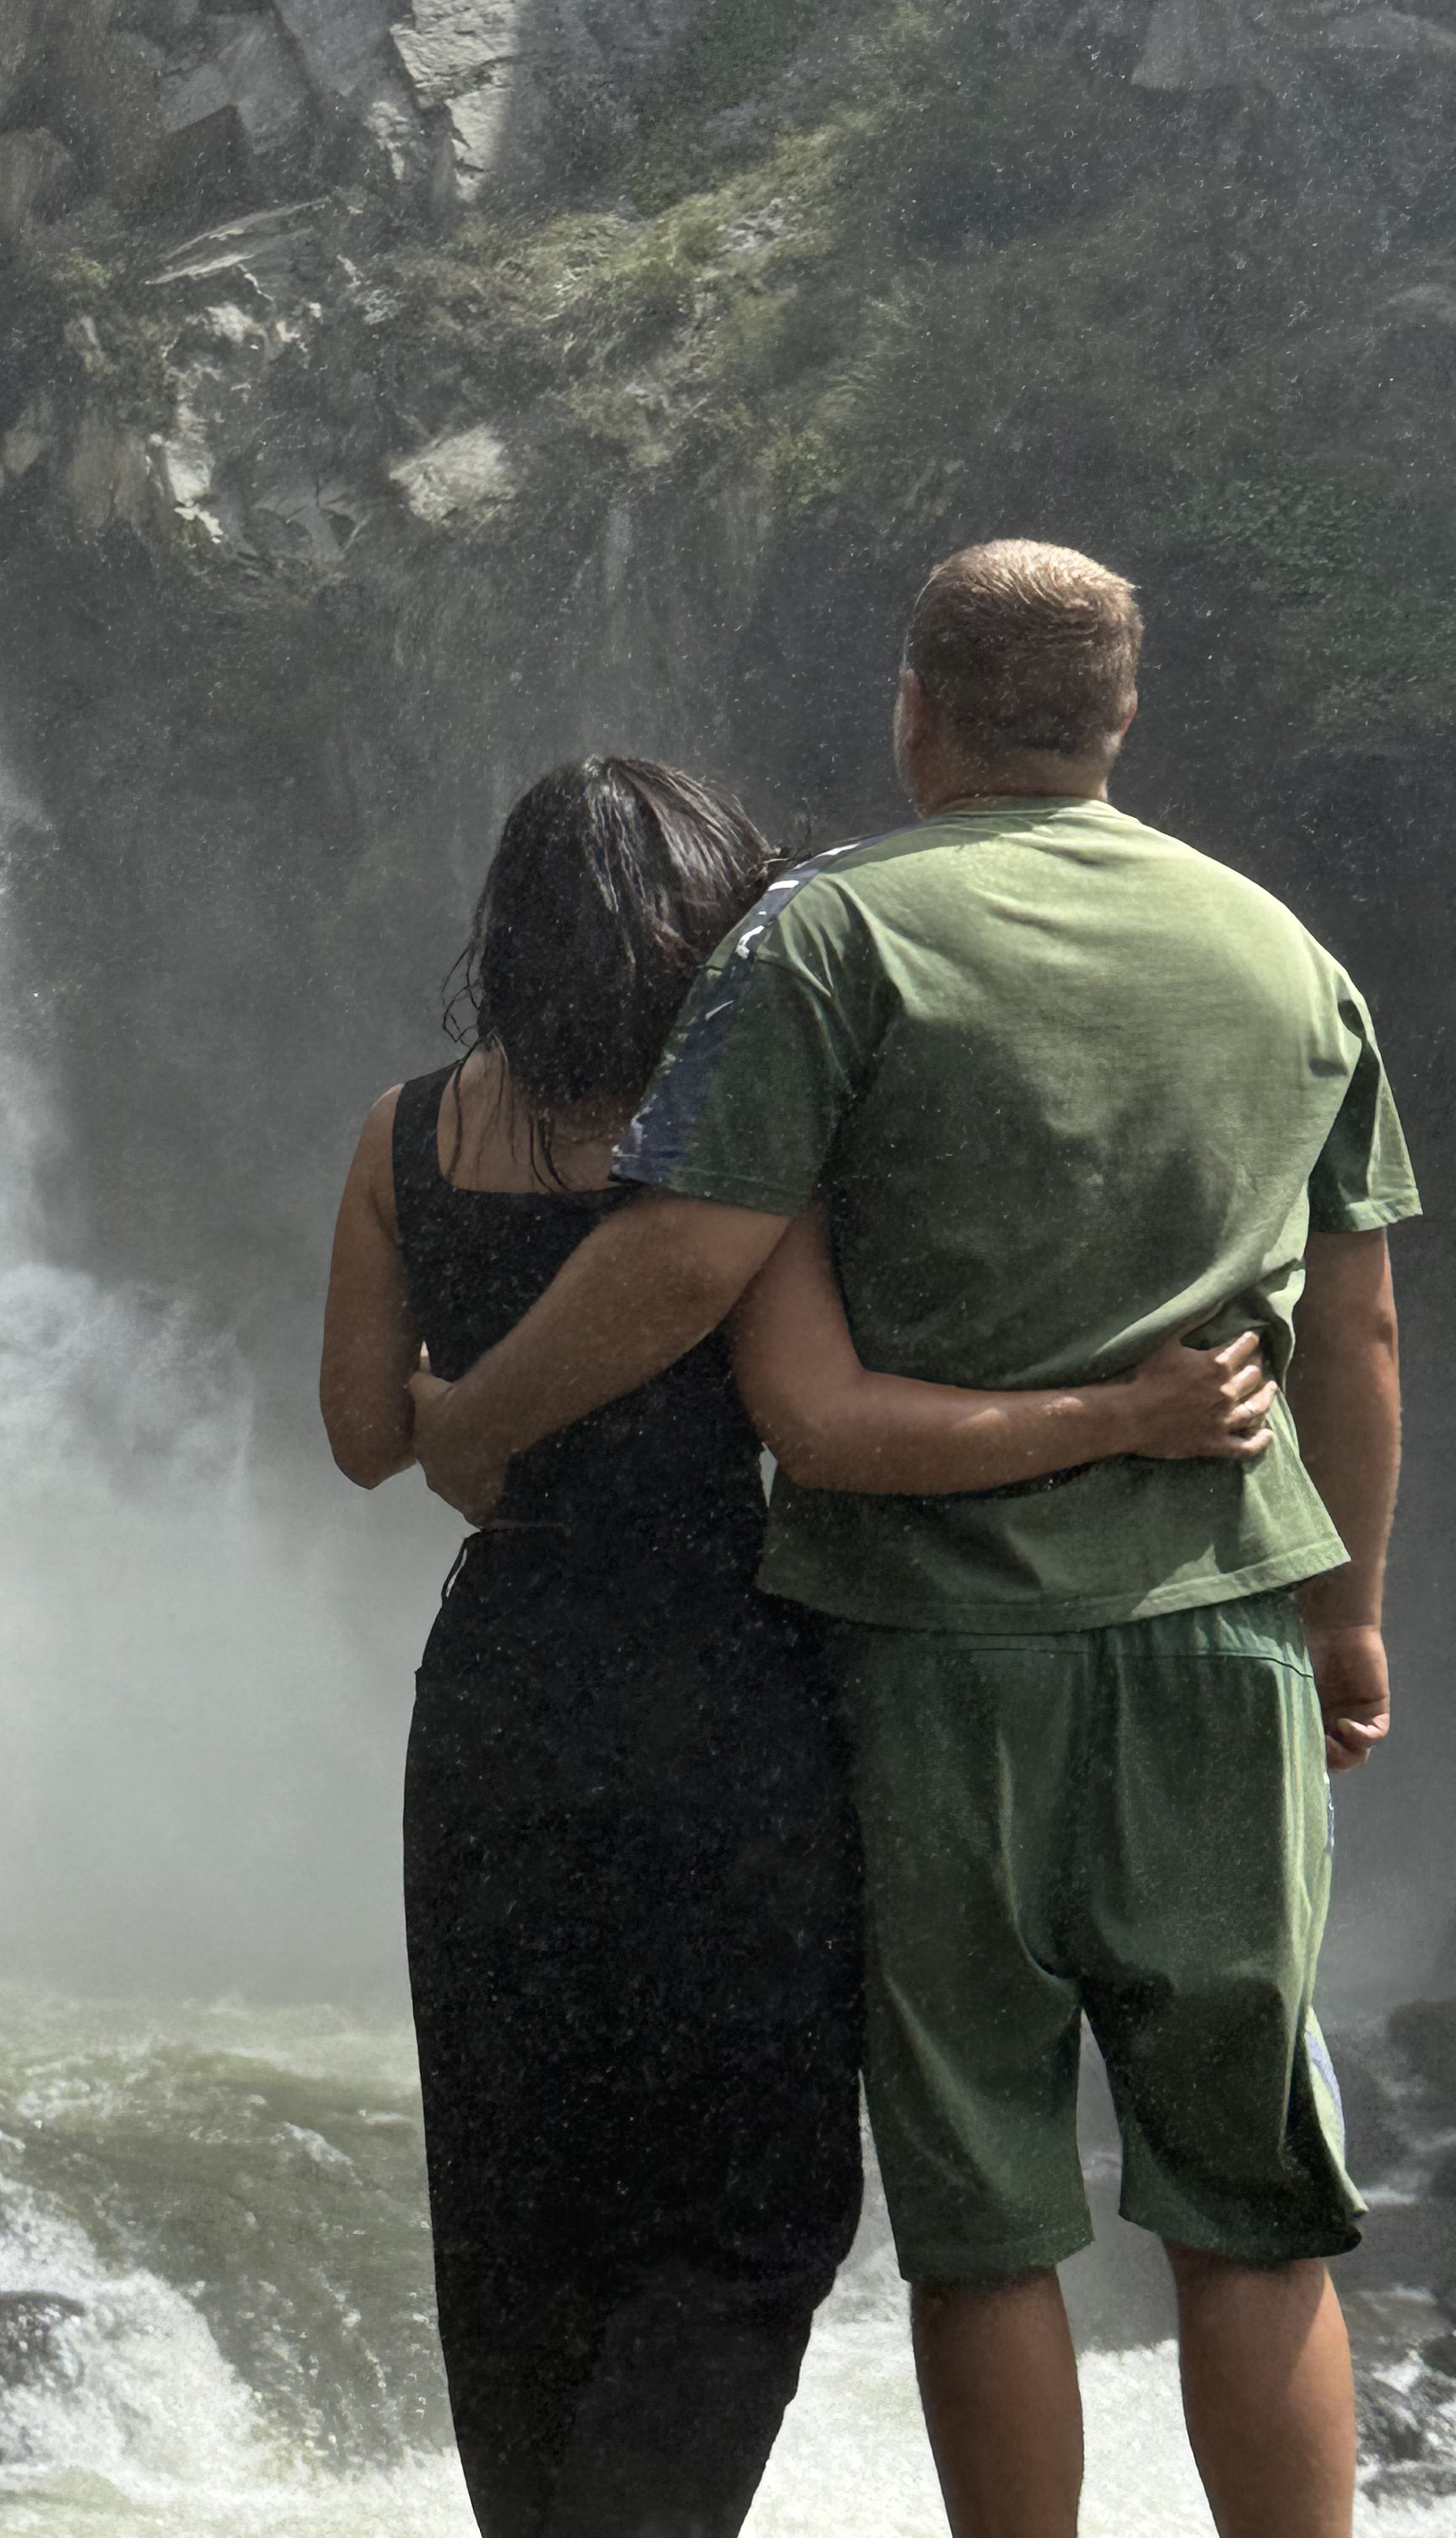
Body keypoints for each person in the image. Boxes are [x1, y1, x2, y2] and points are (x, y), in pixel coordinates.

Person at [409, 545, 1415, 2538]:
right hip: (1219, 1634)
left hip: (935, 1648)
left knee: (985, 2216)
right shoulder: (1284, 954)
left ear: (915, 708)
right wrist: (1353, 1617)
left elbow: (685, 1257)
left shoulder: (833, 938)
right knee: (1251, 2208)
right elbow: (1361, 1328)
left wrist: (475, 1423)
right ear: (1123, 717)